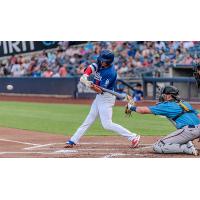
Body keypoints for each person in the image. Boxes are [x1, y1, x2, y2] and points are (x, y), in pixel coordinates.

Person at [65, 49, 140, 148]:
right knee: (89, 120)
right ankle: (73, 140)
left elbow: (100, 90)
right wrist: (85, 75)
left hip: (106, 98)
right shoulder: (101, 63)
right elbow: (92, 67)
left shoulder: (110, 73)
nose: (101, 62)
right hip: (99, 97)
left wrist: (89, 84)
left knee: (107, 124)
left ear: (108, 62)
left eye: (103, 61)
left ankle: (133, 137)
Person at [125, 85, 200, 156]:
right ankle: (188, 144)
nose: (162, 96)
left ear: (169, 96)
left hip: (189, 131)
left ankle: (187, 149)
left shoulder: (166, 105)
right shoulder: (185, 103)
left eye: (164, 94)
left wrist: (130, 107)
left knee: (158, 146)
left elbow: (143, 110)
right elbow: (198, 116)